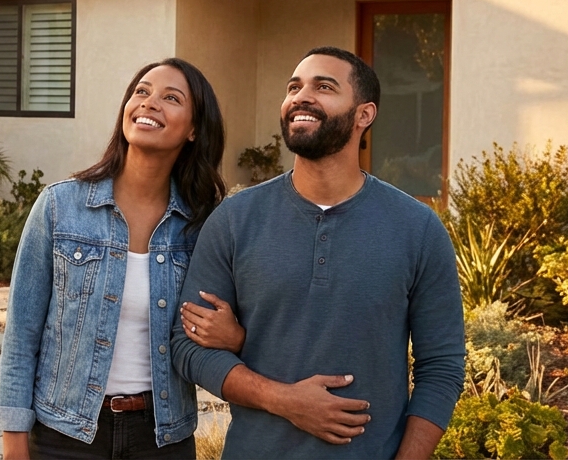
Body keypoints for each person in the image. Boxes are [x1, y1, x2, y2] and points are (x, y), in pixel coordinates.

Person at [172, 46, 465, 459]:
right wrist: (284, 400)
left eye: (323, 87)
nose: (301, 97)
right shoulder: (235, 219)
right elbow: (188, 348)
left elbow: (442, 367)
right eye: (294, 87)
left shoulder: (417, 228)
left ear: (364, 115)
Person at [0, 58, 243, 460]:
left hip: (162, 439)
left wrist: (234, 337)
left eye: (171, 97)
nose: (149, 103)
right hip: (64, 436)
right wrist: (14, 443)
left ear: (195, 129)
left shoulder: (202, 226)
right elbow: (22, 337)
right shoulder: (60, 207)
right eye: (141, 92)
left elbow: (221, 326)